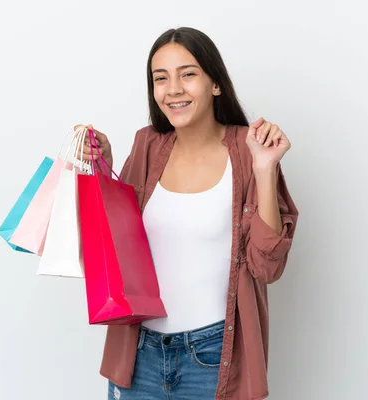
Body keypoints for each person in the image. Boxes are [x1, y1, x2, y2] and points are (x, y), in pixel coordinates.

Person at [74, 26, 298, 400]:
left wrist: (264, 169)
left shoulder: (249, 150)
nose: (173, 89)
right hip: (139, 353)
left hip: (213, 358)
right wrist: (104, 166)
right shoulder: (147, 145)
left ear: (215, 84)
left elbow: (267, 267)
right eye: (161, 78)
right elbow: (116, 242)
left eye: (188, 74)